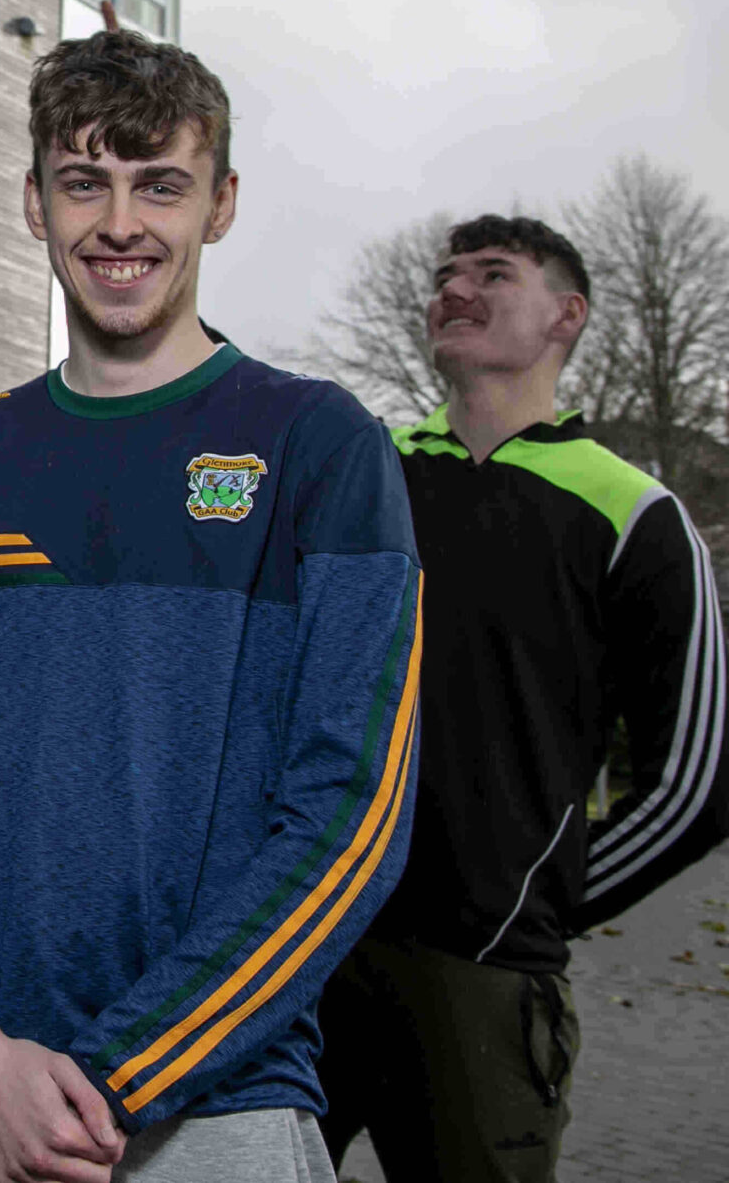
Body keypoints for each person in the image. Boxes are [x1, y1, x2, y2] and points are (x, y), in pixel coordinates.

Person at [0, 29, 423, 1183]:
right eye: (82, 181)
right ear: (32, 202)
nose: (118, 223)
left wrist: (97, 1092)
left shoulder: (318, 447)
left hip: (211, 1099)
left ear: (221, 204)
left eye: (161, 184)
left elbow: (350, 819)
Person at [317, 215, 728, 1183]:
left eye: (492, 274)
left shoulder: (633, 512)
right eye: (444, 274)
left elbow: (698, 779)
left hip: (482, 978)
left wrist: (531, 904)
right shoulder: (362, 476)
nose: (453, 288)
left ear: (566, 315)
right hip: (305, 951)